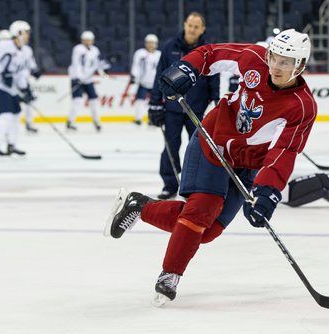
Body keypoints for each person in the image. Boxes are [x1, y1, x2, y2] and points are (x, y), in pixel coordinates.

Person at [105, 29, 317, 305]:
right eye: (274, 57)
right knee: (202, 209)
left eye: (285, 62)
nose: (276, 66)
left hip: (248, 162)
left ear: (299, 66)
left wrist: (268, 191)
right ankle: (170, 275)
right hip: (215, 138)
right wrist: (187, 67)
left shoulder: (302, 107)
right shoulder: (254, 58)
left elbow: (283, 152)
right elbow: (211, 53)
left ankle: (138, 206)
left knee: (208, 231)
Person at [148, 12, 220, 200]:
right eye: (190, 25)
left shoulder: (207, 50)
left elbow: (214, 76)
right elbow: (159, 77)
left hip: (196, 109)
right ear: (185, 25)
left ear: (202, 29)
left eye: (196, 27)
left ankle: (194, 186)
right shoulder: (169, 47)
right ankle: (170, 184)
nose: (192, 29)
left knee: (196, 148)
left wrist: (216, 100)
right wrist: (155, 103)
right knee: (171, 146)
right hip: (172, 109)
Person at [0, 21, 33, 156]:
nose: (28, 35)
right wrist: (2, 73)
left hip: (11, 88)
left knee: (16, 114)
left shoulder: (25, 51)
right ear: (18, 33)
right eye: (26, 32)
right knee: (5, 115)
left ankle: (12, 144)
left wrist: (25, 89)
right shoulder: (4, 46)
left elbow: (20, 72)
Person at [67, 31, 109, 131]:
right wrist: (77, 77)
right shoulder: (78, 49)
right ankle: (70, 122)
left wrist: (104, 70)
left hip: (88, 80)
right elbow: (76, 64)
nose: (87, 42)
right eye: (86, 40)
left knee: (94, 100)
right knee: (77, 101)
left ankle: (96, 122)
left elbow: (97, 64)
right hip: (77, 79)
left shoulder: (95, 50)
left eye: (89, 40)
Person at [15, 21, 42, 133]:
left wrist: (35, 71)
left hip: (24, 82)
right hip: (12, 84)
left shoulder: (27, 49)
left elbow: (31, 63)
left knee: (30, 102)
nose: (28, 35)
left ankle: (29, 123)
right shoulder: (10, 50)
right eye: (26, 32)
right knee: (8, 109)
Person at [130, 34, 161, 125]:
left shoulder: (159, 55)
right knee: (139, 101)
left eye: (152, 43)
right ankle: (138, 119)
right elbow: (136, 66)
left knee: (154, 103)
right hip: (143, 82)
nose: (151, 45)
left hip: (155, 83)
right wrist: (134, 76)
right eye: (149, 43)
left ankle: (152, 119)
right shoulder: (140, 53)